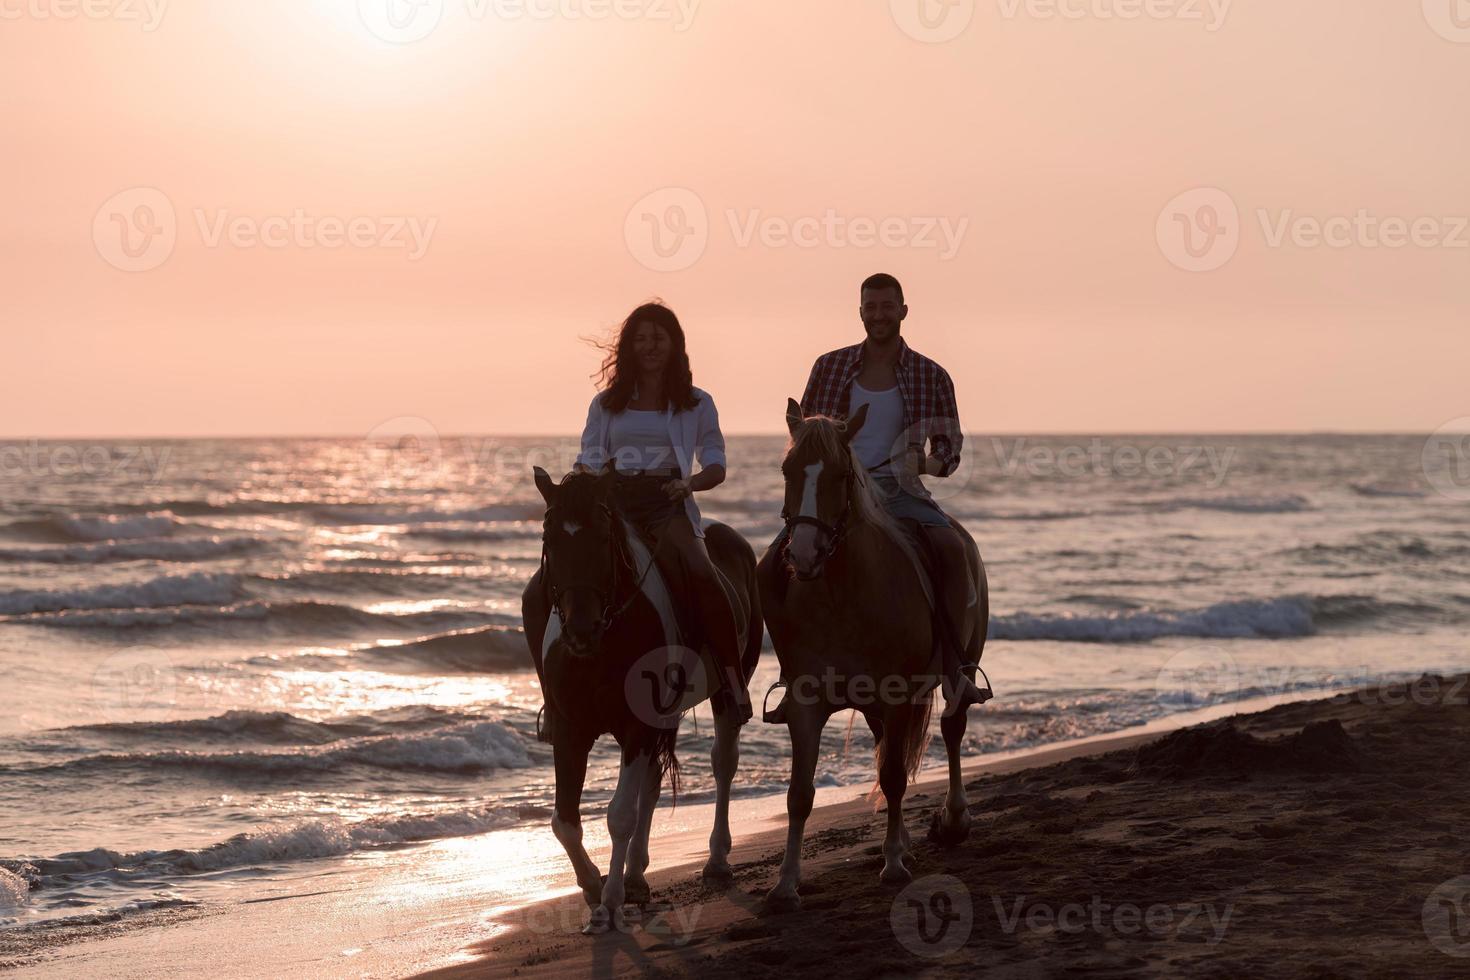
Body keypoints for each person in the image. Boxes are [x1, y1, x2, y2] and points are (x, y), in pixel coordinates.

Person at [771, 272, 988, 719]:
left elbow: (949, 451)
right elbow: (806, 436)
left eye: (887, 307)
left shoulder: (931, 375)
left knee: (951, 548)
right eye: (870, 307)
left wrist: (922, 464)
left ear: (903, 311)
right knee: (768, 567)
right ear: (860, 312)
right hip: (838, 492)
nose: (878, 315)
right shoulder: (829, 366)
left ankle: (955, 671)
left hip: (899, 488)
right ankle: (792, 678)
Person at [534, 301, 753, 738]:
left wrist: (690, 484)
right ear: (629, 346)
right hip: (613, 504)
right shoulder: (606, 404)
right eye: (641, 338)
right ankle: (552, 698)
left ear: (674, 344)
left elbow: (716, 463)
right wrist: (581, 482)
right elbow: (590, 457)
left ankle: (731, 683)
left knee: (702, 573)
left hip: (666, 502)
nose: (650, 346)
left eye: (659, 337)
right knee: (539, 587)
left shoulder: (696, 403)